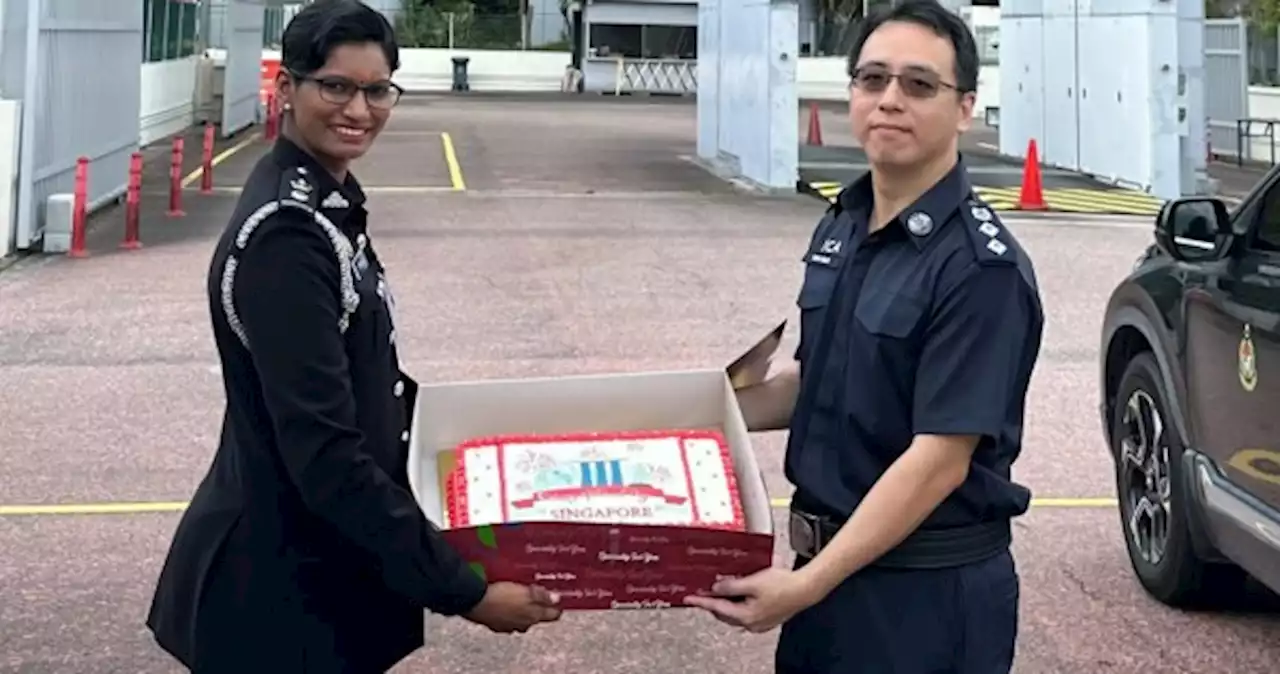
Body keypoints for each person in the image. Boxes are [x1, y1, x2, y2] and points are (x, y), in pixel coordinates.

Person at [145, 2, 561, 671]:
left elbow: (369, 387)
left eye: (377, 90)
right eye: (335, 86)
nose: (359, 110)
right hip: (279, 600)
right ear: (287, 88)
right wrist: (466, 590)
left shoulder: (325, 207)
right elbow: (327, 457)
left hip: (319, 578)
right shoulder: (287, 236)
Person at [685, 2, 1044, 673]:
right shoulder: (842, 226)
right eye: (872, 79)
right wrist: (686, 412)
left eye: (918, 85)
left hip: (923, 597)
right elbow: (820, 380)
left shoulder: (980, 268)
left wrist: (804, 588)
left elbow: (940, 456)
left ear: (965, 107)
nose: (889, 101)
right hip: (828, 581)